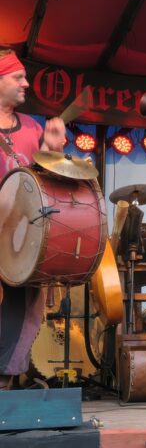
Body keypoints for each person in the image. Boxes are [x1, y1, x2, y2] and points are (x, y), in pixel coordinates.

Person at [0, 49, 66, 390]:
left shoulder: (31, 128)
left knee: (25, 307)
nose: (26, 83)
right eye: (17, 77)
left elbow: (46, 181)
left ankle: (4, 381)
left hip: (22, 238)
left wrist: (53, 150)